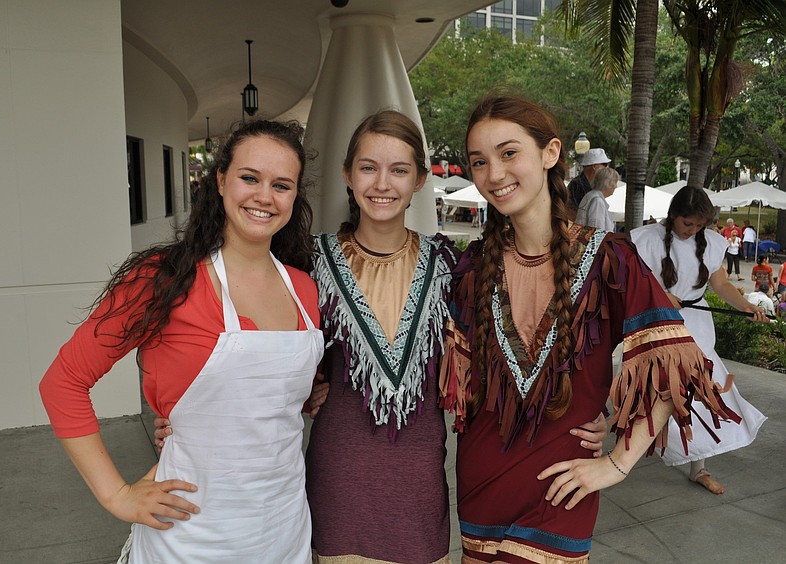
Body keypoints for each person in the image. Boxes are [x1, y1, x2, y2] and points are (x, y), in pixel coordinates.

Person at [156, 110, 608, 563]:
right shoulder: (308, 265)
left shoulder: (454, 267)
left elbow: (506, 358)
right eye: (368, 167)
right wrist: (190, 416)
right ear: (347, 175)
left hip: (419, 497)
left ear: (419, 181)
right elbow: (253, 357)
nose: (382, 183)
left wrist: (582, 413)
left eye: (399, 170)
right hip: (337, 492)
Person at [439, 96, 738, 563]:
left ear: (550, 153)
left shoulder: (610, 259)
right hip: (481, 488)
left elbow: (680, 368)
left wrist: (618, 462)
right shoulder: (471, 269)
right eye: (479, 161)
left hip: (564, 493)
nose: (494, 174)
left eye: (508, 152)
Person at [39, 120, 325, 563]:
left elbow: (276, 402)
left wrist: (318, 395)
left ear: (294, 197)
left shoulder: (304, 289)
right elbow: (63, 382)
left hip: (283, 531)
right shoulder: (164, 279)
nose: (264, 196)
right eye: (250, 178)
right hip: (189, 537)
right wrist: (117, 495)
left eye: (281, 185)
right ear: (221, 180)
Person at [631, 186, 768, 496]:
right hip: (658, 323)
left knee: (700, 395)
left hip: (696, 326)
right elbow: (631, 282)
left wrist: (745, 306)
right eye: (687, 223)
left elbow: (720, 283)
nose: (692, 230)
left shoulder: (712, 243)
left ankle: (699, 468)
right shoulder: (646, 239)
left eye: (699, 225)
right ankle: (628, 454)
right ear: (673, 216)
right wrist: (660, 295)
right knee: (655, 391)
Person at [575, 166, 619, 232]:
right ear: (609, 183)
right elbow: (596, 230)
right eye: (615, 182)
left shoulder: (590, 195)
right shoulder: (597, 201)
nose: (616, 186)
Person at [566, 147, 611, 211]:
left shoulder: (588, 184)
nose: (607, 168)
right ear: (594, 166)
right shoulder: (577, 185)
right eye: (605, 164)